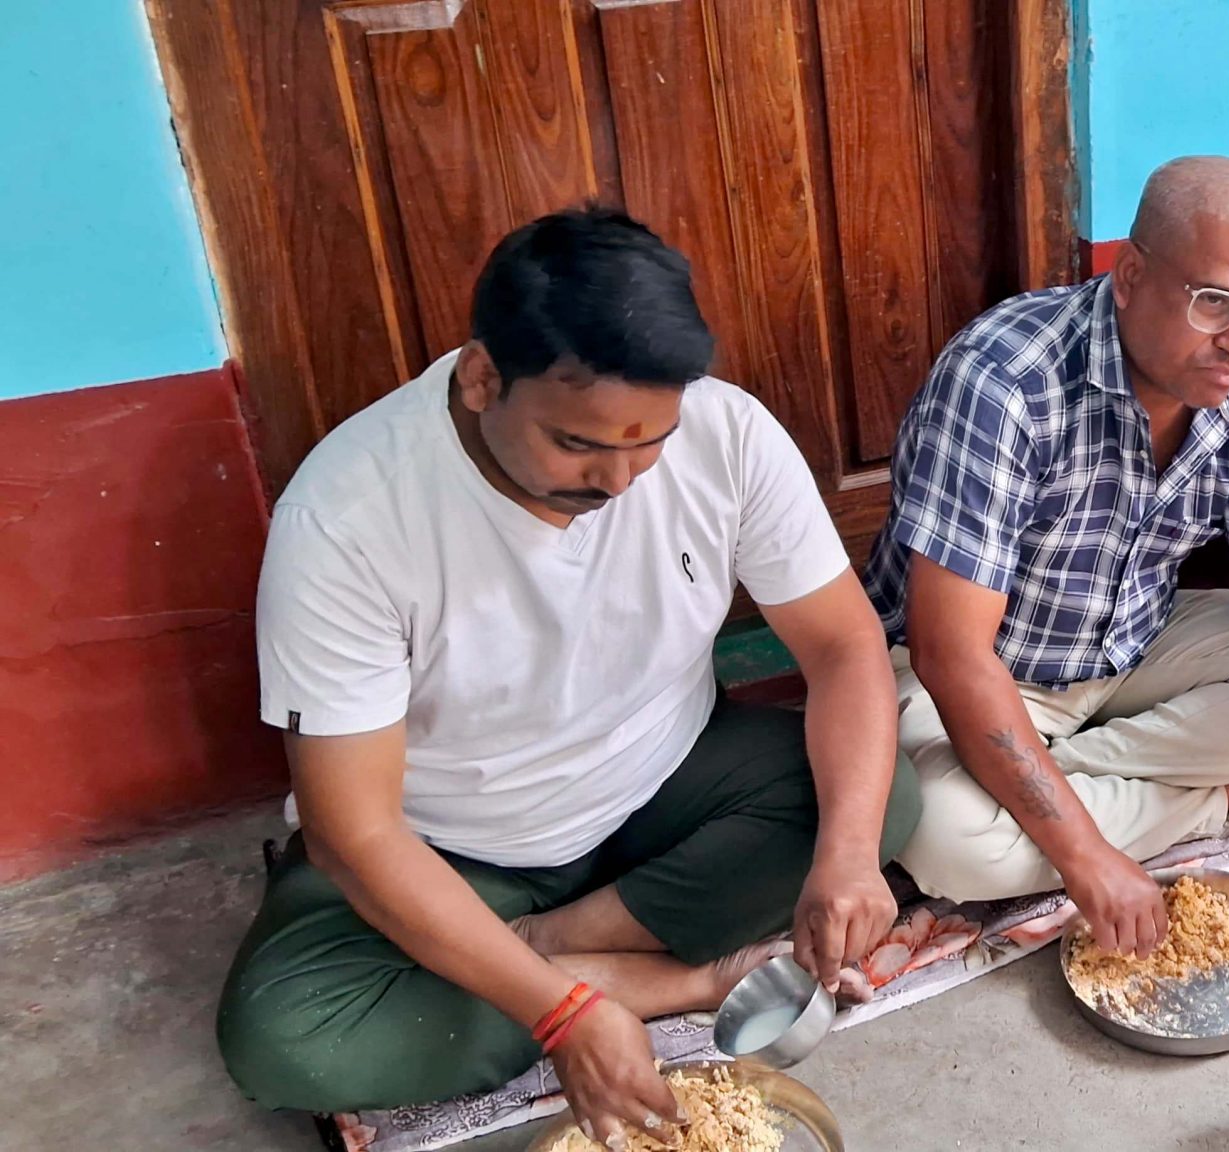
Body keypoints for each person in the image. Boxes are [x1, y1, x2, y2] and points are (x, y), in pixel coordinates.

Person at [219, 208, 918, 1144]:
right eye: (579, 445)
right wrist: (561, 1015)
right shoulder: (349, 519)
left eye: (650, 441)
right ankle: (676, 978)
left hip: (665, 783)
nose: (621, 481)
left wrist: (847, 859)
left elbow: (842, 649)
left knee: (880, 800)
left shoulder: (728, 434)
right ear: (481, 378)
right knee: (288, 1038)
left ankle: (536, 948)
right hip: (454, 848)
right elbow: (357, 836)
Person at [864, 157, 1229, 955]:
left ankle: (1046, 782)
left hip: (1131, 649)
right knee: (952, 841)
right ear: (1130, 276)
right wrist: (1085, 857)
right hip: (977, 669)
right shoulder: (1005, 383)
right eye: (1215, 303)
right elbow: (950, 654)